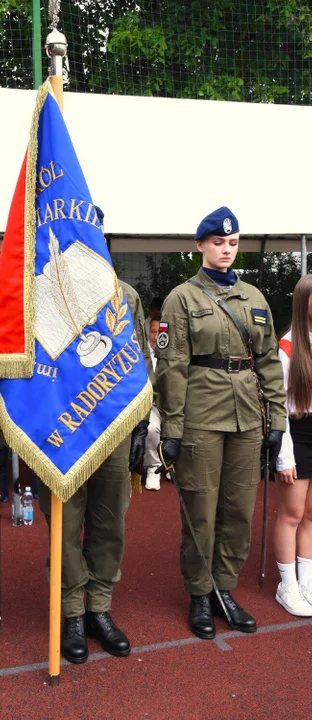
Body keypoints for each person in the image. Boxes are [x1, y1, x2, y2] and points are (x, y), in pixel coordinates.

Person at [155, 206, 286, 639]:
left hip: (247, 415)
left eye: (232, 243)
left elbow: (267, 361)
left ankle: (223, 589)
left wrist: (277, 420)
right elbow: (171, 368)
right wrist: (171, 430)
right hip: (200, 419)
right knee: (202, 511)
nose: (226, 249)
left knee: (238, 511)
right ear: (200, 246)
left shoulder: (255, 298)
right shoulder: (182, 298)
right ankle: (199, 593)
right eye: (217, 242)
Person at [39, 206, 153, 664]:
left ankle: (99, 609)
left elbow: (142, 364)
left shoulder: (124, 294)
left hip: (114, 429)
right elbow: (37, 373)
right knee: (65, 527)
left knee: (109, 523)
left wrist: (144, 423)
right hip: (66, 433)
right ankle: (70, 613)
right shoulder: (45, 297)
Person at [273, 275, 312, 616]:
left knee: (311, 514)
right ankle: (287, 585)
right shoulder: (287, 346)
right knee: (292, 513)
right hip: (296, 432)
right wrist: (283, 457)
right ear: (304, 302)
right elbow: (277, 406)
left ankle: (307, 580)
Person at [143, 316, 162, 490]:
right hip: (152, 405)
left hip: (173, 406)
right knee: (151, 427)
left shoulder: (173, 354)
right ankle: (153, 468)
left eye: (160, 332)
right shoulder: (143, 356)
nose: (156, 336)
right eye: (153, 331)